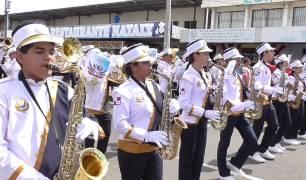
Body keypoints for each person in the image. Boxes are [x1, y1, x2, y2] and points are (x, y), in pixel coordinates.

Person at [0, 23, 101, 179]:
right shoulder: (4, 91)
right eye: (40, 51)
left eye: (52, 51)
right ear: (20, 57)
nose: (49, 57)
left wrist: (90, 123)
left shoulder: (63, 89)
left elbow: (86, 115)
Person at [112, 43, 180, 180]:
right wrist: (146, 136)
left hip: (154, 149)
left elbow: (160, 109)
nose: (151, 65)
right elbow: (120, 124)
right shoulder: (123, 91)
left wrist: (172, 105)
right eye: (146, 63)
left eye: (150, 62)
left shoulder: (153, 85)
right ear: (133, 66)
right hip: (131, 152)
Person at [178, 39, 221, 180]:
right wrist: (205, 112)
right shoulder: (188, 76)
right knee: (187, 161)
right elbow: (183, 104)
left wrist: (215, 95)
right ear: (195, 55)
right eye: (205, 53)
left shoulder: (204, 73)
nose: (209, 56)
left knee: (198, 159)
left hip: (202, 122)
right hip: (190, 124)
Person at [217, 47, 258, 180]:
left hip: (239, 114)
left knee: (252, 141)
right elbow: (225, 100)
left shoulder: (237, 74)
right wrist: (243, 105)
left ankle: (235, 163)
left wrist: (251, 93)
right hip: (228, 114)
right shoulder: (224, 75)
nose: (240, 62)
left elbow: (240, 92)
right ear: (230, 61)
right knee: (224, 144)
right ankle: (223, 173)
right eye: (237, 59)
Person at [249, 43, 282, 163]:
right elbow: (258, 86)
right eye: (271, 51)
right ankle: (251, 151)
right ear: (264, 53)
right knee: (257, 128)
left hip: (268, 101)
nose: (273, 53)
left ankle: (262, 149)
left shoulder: (267, 67)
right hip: (260, 102)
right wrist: (274, 89)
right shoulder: (258, 67)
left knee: (274, 125)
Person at [268, 54, 292, 153]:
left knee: (287, 123)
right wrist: (283, 74)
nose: (287, 64)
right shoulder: (275, 73)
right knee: (278, 124)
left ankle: (276, 141)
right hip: (277, 100)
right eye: (286, 62)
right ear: (280, 64)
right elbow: (279, 85)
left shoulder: (285, 73)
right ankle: (271, 144)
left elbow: (286, 87)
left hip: (284, 100)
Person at [283, 60, 305, 145]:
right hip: (293, 101)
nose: (301, 68)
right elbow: (289, 90)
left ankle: (293, 136)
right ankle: (288, 137)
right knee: (293, 119)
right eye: (299, 67)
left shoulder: (299, 77)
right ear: (294, 69)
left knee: (299, 119)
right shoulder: (291, 78)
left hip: (300, 100)